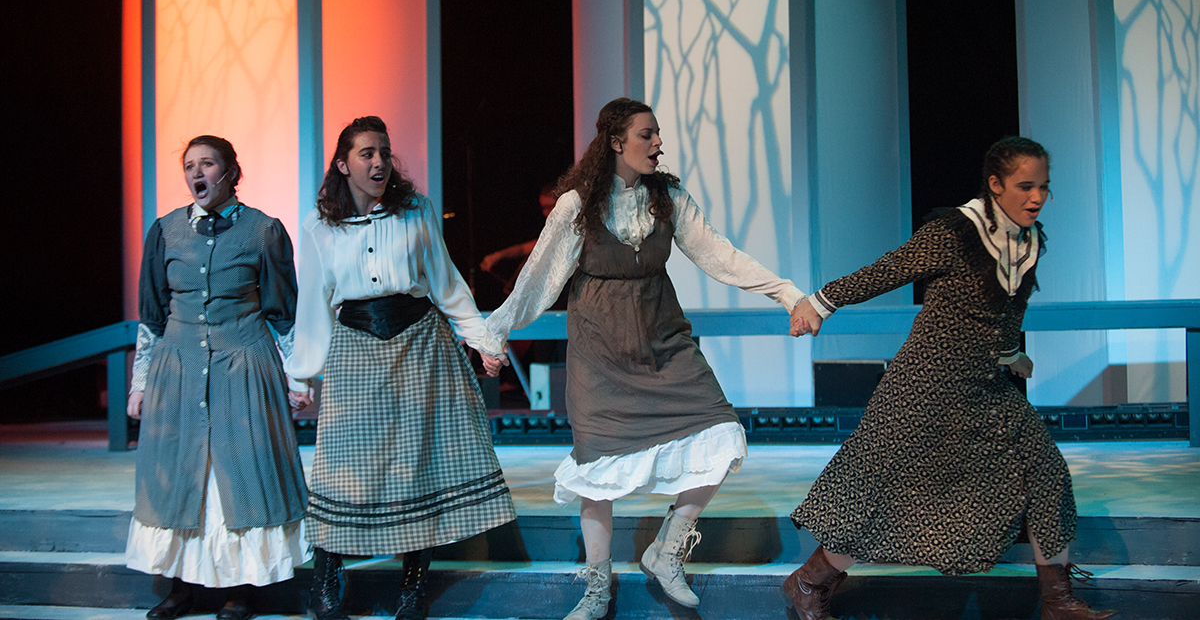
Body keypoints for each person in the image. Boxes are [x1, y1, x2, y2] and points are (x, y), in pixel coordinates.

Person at [485, 98, 810, 620]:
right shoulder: (577, 205)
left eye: (658, 134)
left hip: (663, 341)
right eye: (647, 134)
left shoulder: (667, 198)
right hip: (600, 350)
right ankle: (597, 587)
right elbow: (539, 278)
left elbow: (720, 255)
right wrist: (496, 332)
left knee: (722, 433)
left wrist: (787, 293)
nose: (658, 143)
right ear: (616, 142)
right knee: (597, 469)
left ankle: (666, 550)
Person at [784, 137, 1116, 620]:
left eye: (1044, 187)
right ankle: (809, 582)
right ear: (996, 184)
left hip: (985, 387)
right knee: (885, 490)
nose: (1037, 197)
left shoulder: (1028, 241)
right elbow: (889, 270)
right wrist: (819, 303)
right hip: (925, 385)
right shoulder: (958, 232)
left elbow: (1009, 310)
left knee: (1045, 471)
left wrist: (1011, 353)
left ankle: (1058, 600)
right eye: (1025, 186)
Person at [285, 116, 516, 620]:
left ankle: (413, 588)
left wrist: (482, 340)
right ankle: (325, 582)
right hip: (355, 345)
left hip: (418, 343)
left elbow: (446, 283)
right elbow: (314, 303)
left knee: (417, 467)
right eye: (367, 153)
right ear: (343, 164)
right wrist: (301, 375)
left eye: (384, 153)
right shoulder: (319, 225)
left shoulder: (415, 210)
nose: (379, 162)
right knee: (342, 468)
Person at [125, 135, 310, 620]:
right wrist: (140, 383)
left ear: (231, 172)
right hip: (179, 368)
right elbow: (152, 316)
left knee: (239, 475)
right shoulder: (165, 231)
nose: (196, 173)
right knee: (180, 475)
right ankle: (179, 587)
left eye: (207, 164)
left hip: (244, 364)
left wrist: (298, 378)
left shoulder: (263, 231)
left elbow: (284, 314)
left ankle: (239, 590)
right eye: (189, 165)